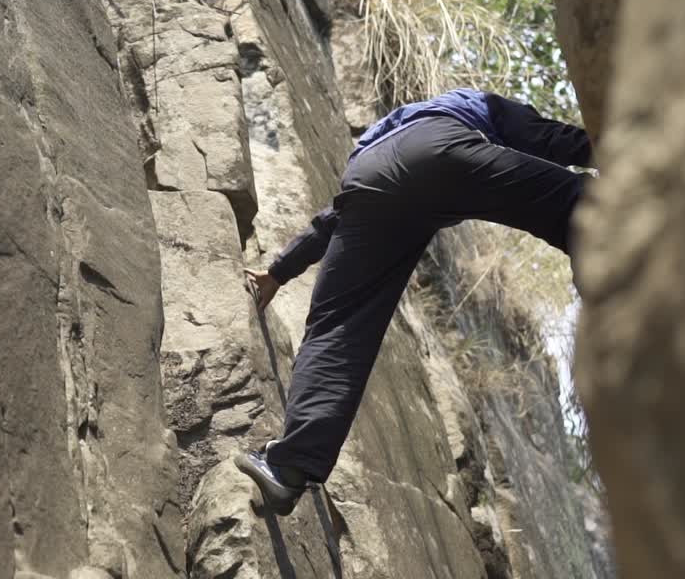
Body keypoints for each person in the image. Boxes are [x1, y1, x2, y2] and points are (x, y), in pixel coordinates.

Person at [235, 87, 594, 515]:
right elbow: (543, 136)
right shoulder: (479, 103)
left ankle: (288, 469)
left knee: (340, 328)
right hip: (439, 149)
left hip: (367, 177)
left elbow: (332, 219)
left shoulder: (394, 126)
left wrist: (277, 273)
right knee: (575, 200)